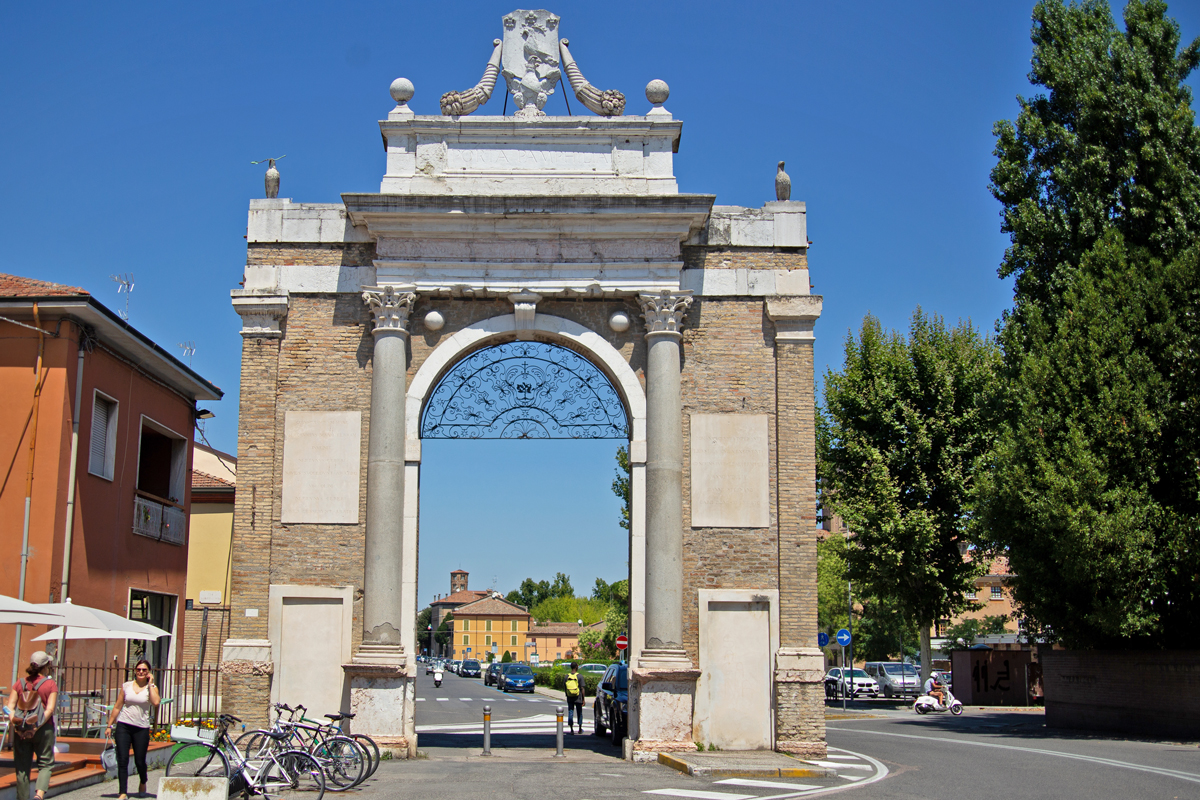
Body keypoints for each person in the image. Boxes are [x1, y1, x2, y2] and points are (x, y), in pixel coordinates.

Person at [105, 659, 161, 800]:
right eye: (138, 669)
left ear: (149, 672)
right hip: (124, 725)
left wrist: (150, 684)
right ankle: (122, 792)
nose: (141, 672)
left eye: (144, 670)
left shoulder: (152, 687)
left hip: (141, 728)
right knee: (122, 759)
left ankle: (143, 781)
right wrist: (109, 725)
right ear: (135, 671)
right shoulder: (126, 686)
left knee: (139, 761)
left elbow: (156, 702)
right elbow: (118, 706)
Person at [7, 650, 58, 800]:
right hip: (43, 729)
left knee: (22, 768)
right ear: (46, 666)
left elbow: (9, 706)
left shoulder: (20, 683)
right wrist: (36, 725)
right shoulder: (50, 684)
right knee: (46, 763)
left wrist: (16, 722)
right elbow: (50, 709)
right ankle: (39, 795)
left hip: (21, 730)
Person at [564, 662, 585, 734]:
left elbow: (565, 687)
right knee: (579, 713)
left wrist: (567, 695)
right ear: (576, 667)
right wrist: (583, 699)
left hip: (570, 697)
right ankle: (579, 728)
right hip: (578, 697)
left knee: (570, 712)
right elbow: (582, 688)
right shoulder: (580, 676)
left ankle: (571, 729)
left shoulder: (567, 676)